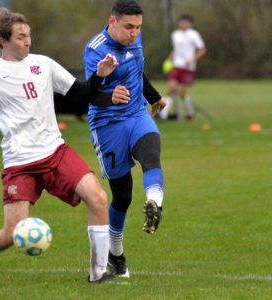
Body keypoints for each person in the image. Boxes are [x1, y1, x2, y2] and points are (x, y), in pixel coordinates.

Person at [0, 8, 120, 283]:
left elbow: (80, 94)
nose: (28, 42)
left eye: (29, 36)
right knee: (12, 233)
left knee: (97, 197)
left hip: (55, 152)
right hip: (20, 163)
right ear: (3, 41)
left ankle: (98, 274)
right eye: (21, 37)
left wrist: (98, 76)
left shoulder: (43, 64)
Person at [83, 0, 167, 278]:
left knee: (151, 153)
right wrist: (109, 94)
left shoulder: (135, 39)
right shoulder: (95, 49)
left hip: (136, 114)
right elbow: (89, 94)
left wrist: (154, 97)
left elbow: (137, 69)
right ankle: (115, 253)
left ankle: (155, 201)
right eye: (129, 27)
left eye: (138, 27)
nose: (134, 33)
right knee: (123, 195)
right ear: (112, 22)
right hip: (108, 125)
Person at [159, 14, 206, 121]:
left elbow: (202, 50)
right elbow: (175, 50)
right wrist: (169, 59)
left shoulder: (194, 34)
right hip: (177, 66)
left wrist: (192, 59)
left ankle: (190, 113)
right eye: (181, 22)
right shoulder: (175, 34)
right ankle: (163, 115)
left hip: (188, 68)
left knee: (182, 93)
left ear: (190, 24)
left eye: (185, 22)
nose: (183, 24)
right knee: (170, 88)